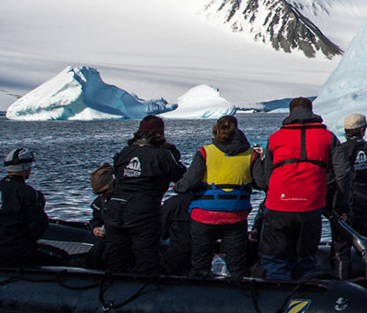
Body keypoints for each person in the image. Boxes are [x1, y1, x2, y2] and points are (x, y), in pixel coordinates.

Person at [254, 97, 335, 280]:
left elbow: (267, 177)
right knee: (305, 259)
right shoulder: (328, 137)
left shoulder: (275, 138)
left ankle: (277, 299)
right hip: (311, 205)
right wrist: (338, 202)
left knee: (275, 258)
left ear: (290, 114)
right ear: (311, 111)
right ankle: (303, 299)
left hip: (278, 206)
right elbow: (341, 172)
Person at [173, 114, 258, 278]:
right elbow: (260, 181)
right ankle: (241, 297)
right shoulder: (251, 154)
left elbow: (190, 181)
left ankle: (199, 296)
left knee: (200, 265)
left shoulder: (205, 152)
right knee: (237, 266)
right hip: (235, 215)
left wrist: (178, 187)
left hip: (204, 215)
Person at [109, 115, 185, 274]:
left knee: (116, 257)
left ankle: (111, 292)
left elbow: (117, 174)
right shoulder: (162, 155)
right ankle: (145, 292)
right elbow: (181, 177)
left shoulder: (124, 152)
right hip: (143, 210)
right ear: (159, 133)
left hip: (115, 206)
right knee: (147, 258)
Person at [0, 148, 64, 268]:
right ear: (27, 167)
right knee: (62, 257)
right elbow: (38, 227)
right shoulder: (30, 194)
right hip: (17, 254)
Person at [333, 113, 367, 235]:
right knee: (363, 233)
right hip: (365, 198)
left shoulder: (339, 150)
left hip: (343, 200)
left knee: (342, 236)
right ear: (362, 130)